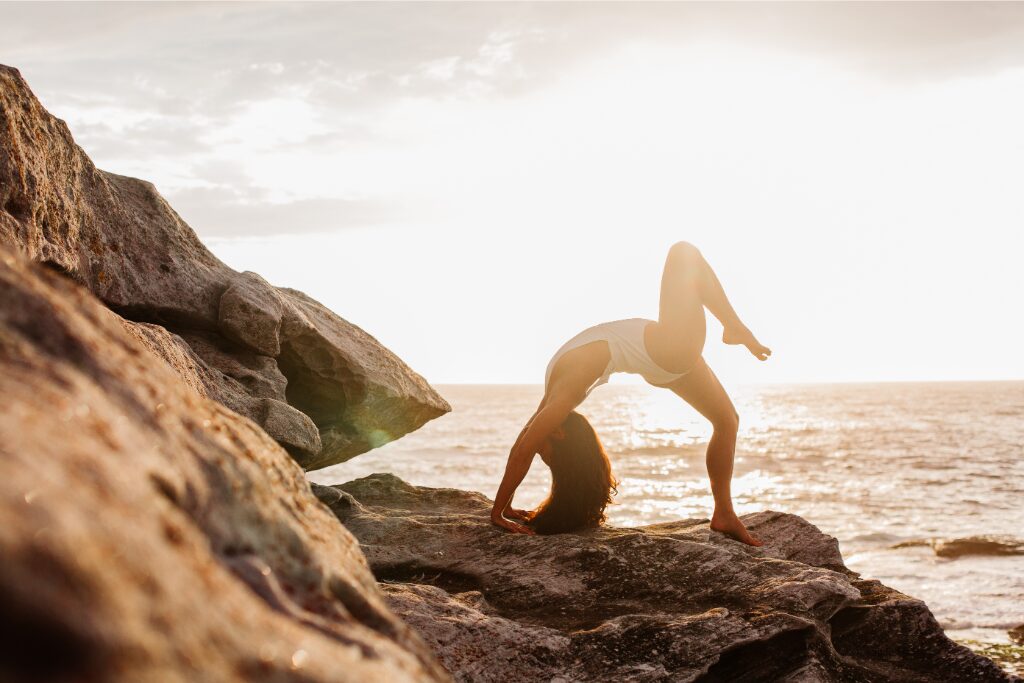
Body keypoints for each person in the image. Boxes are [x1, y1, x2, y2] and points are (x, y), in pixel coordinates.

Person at [490, 241, 771, 546]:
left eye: (543, 456)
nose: (537, 445)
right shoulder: (565, 394)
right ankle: (734, 326)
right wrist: (497, 513)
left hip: (661, 362)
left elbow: (523, 444)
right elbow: (524, 450)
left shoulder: (556, 397)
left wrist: (503, 507)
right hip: (668, 351)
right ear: (558, 433)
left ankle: (724, 513)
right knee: (683, 254)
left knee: (727, 420)